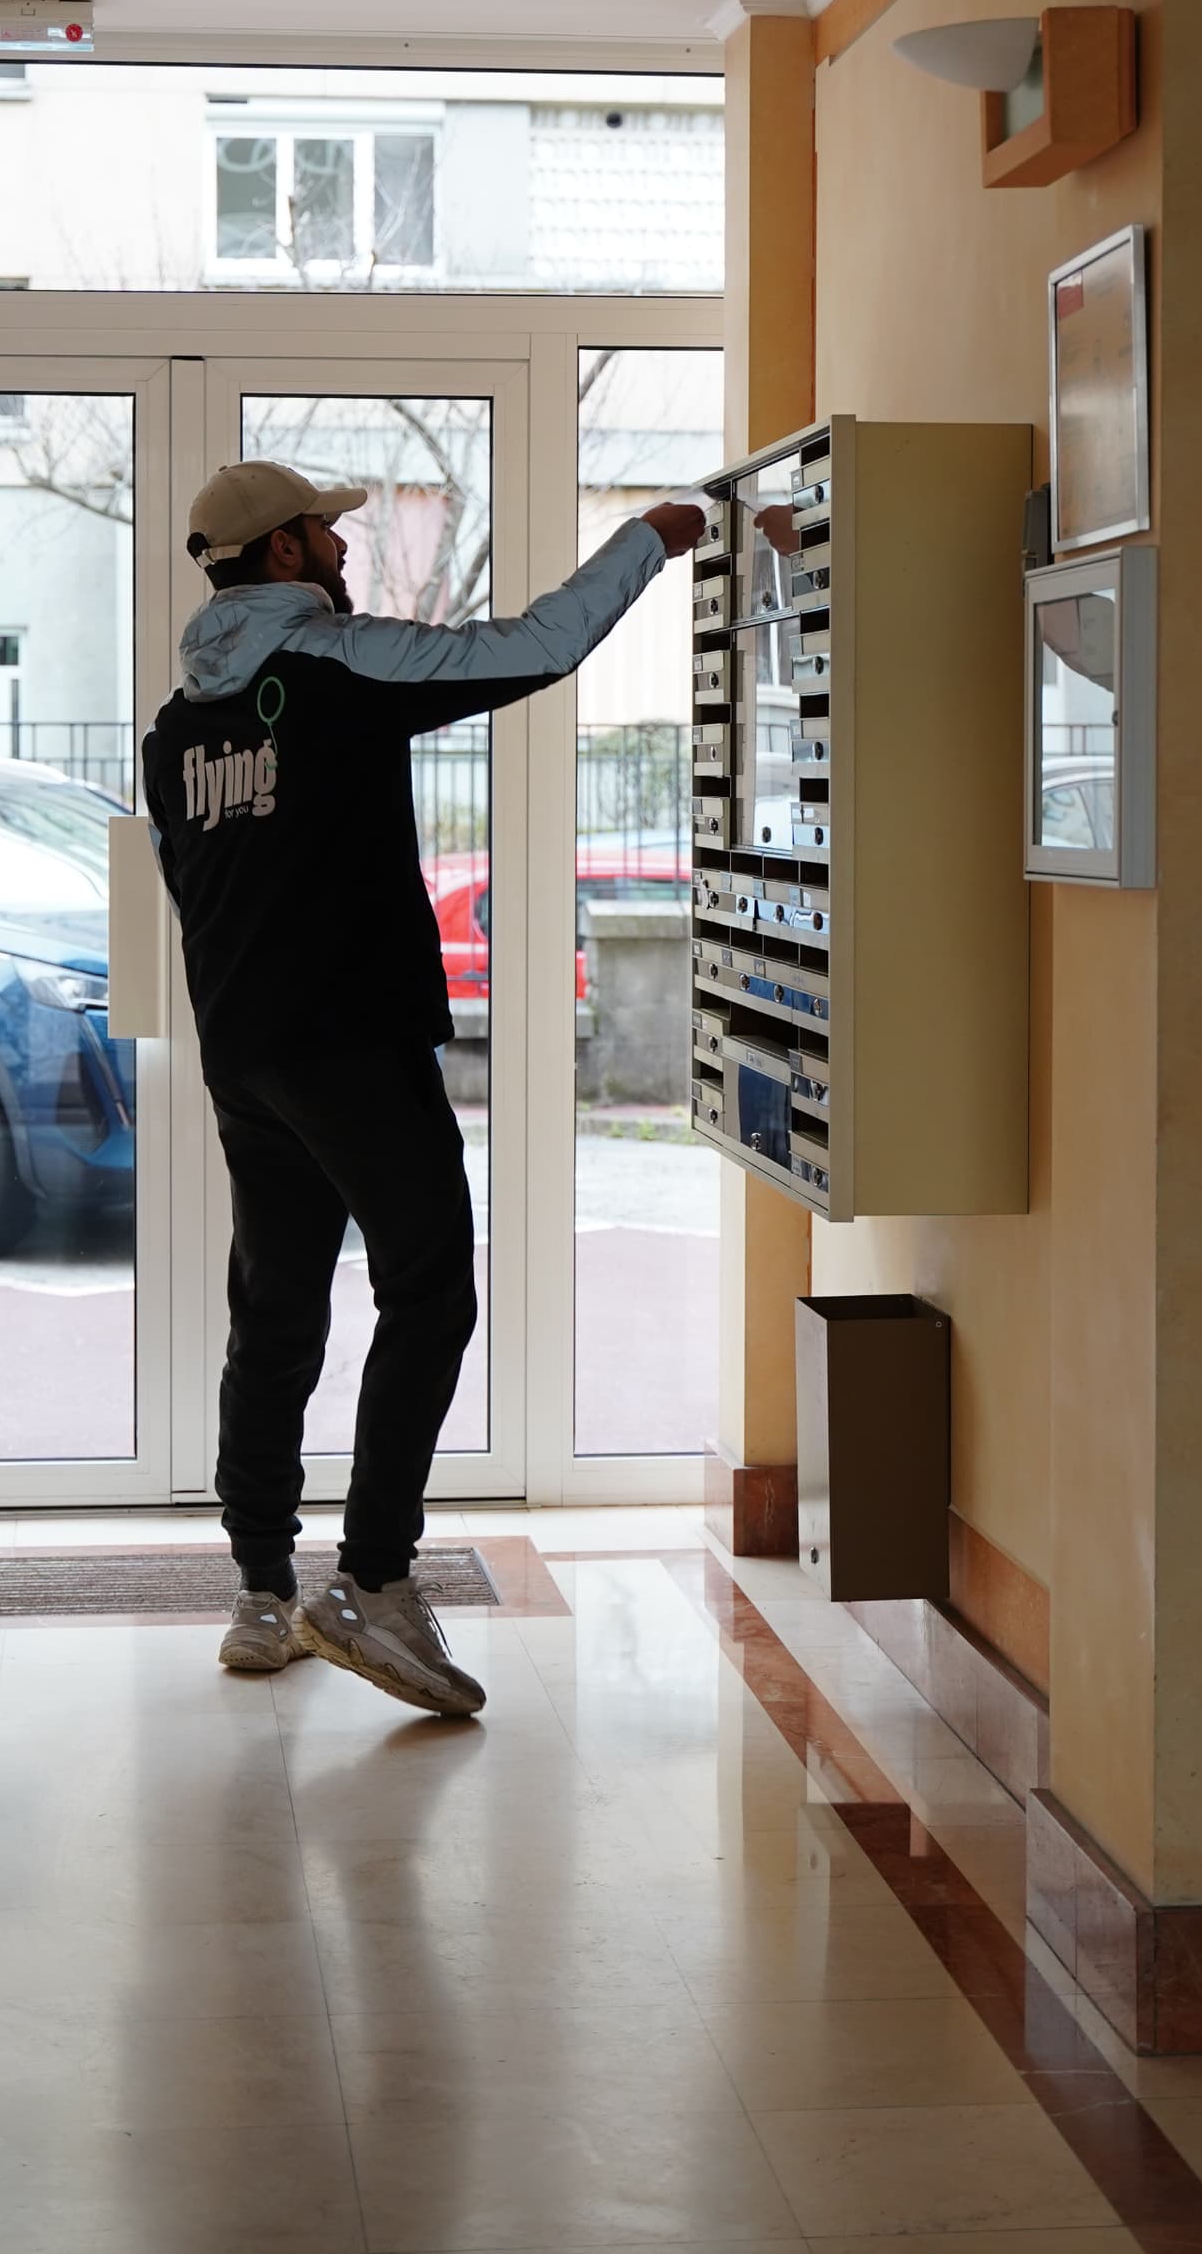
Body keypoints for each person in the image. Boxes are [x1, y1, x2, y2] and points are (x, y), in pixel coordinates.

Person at [143, 461, 702, 1715]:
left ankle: (262, 1594)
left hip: (247, 1055)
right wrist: (650, 540)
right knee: (431, 1286)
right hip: (352, 1045)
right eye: (324, 533)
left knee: (277, 1314)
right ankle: (375, 1581)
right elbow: (534, 647)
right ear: (281, 555)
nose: (342, 548)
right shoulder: (338, 666)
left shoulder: (177, 730)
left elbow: (195, 891)